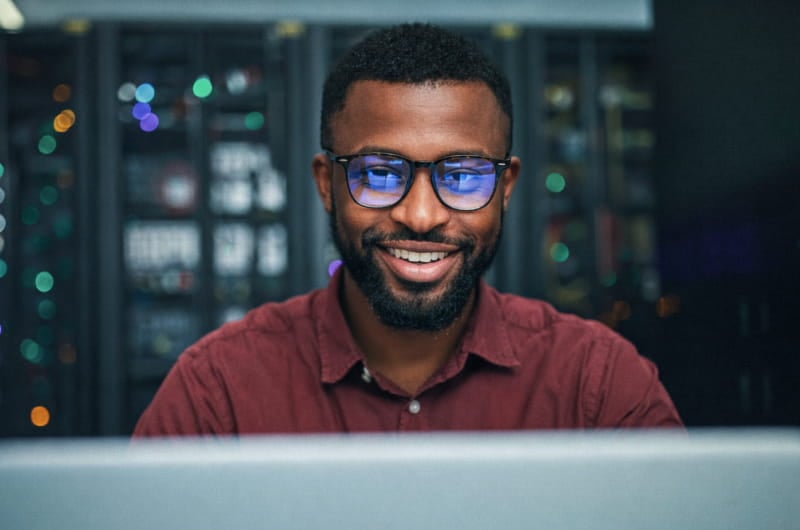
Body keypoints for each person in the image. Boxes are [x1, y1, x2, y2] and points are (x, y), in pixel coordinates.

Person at [133, 23, 682, 436]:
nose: (421, 217)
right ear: (327, 184)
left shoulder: (601, 387)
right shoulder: (217, 392)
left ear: (506, 187)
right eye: (378, 173)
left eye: (463, 176)